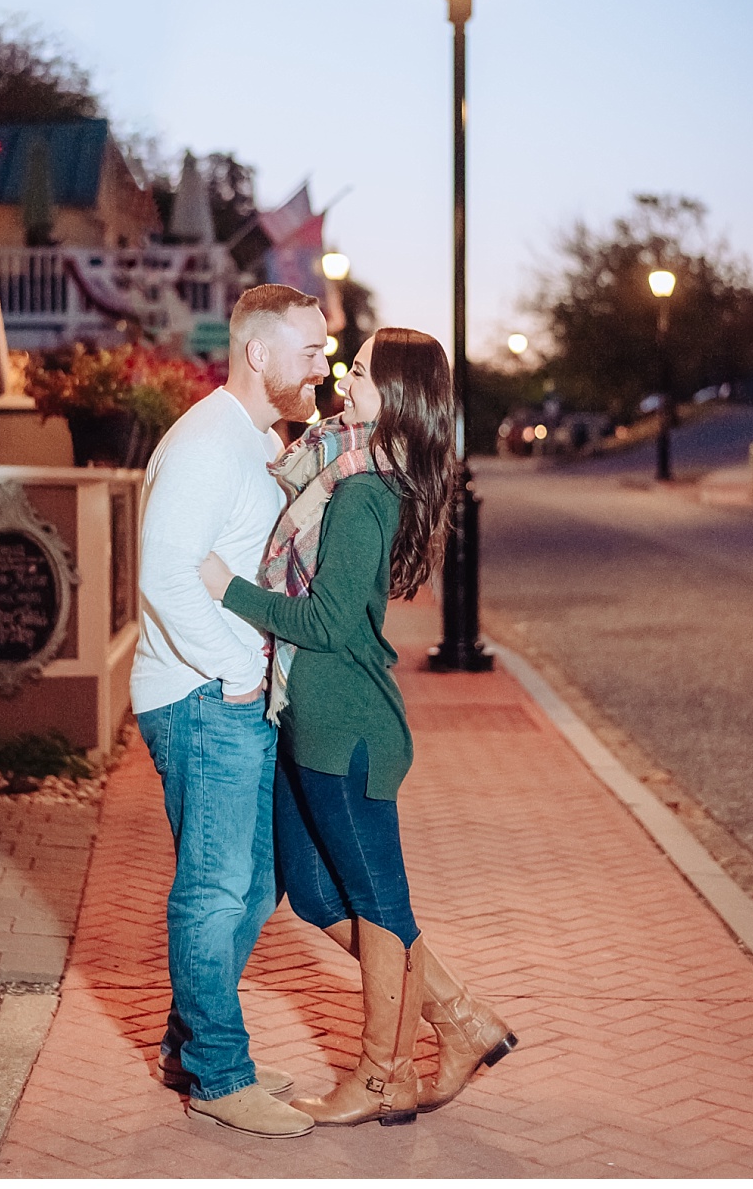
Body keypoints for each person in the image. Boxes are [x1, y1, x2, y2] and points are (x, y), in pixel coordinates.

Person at [199, 327, 517, 1128]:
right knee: (313, 892)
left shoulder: (366, 491)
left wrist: (227, 588)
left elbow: (334, 622)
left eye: (364, 371)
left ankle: (382, 1073)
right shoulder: (347, 469)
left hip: (348, 726)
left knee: (380, 904)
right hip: (317, 721)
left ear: (399, 393)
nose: (348, 377)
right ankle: (459, 1018)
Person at [132, 283, 330, 1138]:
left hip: (228, 695)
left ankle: (189, 1043)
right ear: (259, 354)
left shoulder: (254, 439)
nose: (324, 364)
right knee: (215, 889)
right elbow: (165, 572)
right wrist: (234, 672)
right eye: (312, 351)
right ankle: (219, 1071)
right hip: (201, 697)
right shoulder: (209, 442)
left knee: (255, 884)